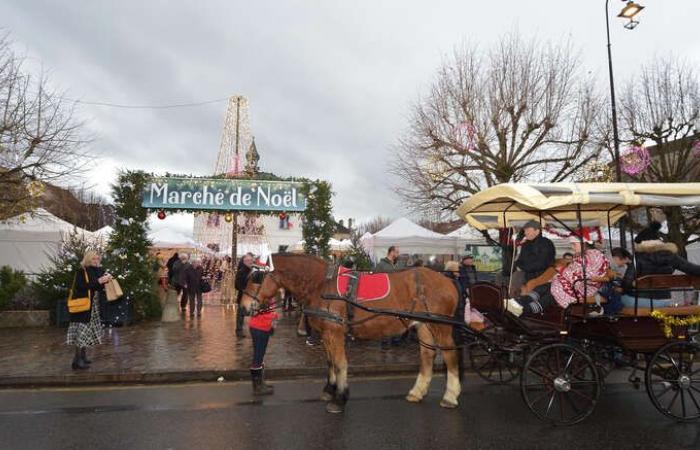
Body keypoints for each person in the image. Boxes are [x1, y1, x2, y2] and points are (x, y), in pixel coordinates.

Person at [620, 221, 700, 309]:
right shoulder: (671, 256)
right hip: (664, 300)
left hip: (639, 300)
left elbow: (626, 284)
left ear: (641, 243)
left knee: (614, 300)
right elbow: (693, 269)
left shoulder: (638, 257)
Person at [67, 250, 112, 370]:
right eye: (94, 259)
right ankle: (76, 361)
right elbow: (81, 287)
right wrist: (99, 281)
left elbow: (98, 286)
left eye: (98, 259)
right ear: (88, 259)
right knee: (81, 333)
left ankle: (83, 356)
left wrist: (106, 279)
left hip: (93, 306)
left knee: (86, 332)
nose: (97, 261)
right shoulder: (82, 271)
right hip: (83, 307)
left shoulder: (98, 271)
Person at [505, 221, 556, 316]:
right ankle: (509, 301)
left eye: (528, 230)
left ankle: (515, 305)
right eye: (524, 231)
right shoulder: (526, 244)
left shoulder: (546, 244)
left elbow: (543, 263)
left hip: (543, 274)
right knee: (504, 276)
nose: (525, 233)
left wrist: (523, 267)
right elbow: (520, 260)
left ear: (537, 231)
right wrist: (517, 265)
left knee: (517, 277)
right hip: (527, 273)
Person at [549, 232, 610, 312]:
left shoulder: (589, 257)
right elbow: (573, 271)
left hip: (586, 286)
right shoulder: (591, 254)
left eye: (574, 244)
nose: (572, 247)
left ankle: (569, 309)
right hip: (584, 283)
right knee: (552, 283)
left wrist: (560, 273)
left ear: (583, 243)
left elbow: (578, 274)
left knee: (555, 286)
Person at [249, 287, 278, 395]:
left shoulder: (268, 294)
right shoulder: (261, 295)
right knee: (258, 355)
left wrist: (273, 325)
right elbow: (253, 310)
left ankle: (260, 383)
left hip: (263, 327)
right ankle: (257, 387)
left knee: (260, 355)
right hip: (259, 328)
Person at [375, 246, 401, 349]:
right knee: (385, 318)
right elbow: (375, 278)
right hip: (385, 295)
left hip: (396, 295)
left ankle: (396, 339)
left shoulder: (396, 265)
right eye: (397, 252)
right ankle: (385, 341)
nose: (398, 254)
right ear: (391, 252)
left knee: (397, 317)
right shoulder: (381, 265)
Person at [598, 247, 633, 315]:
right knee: (611, 290)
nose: (615, 262)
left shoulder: (629, 267)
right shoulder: (630, 264)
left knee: (611, 289)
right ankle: (610, 312)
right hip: (602, 285)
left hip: (626, 290)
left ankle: (611, 312)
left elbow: (625, 281)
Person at [235, 253, 255, 337]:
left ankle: (254, 329)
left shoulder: (253, 270)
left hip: (252, 296)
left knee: (253, 313)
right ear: (245, 261)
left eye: (251, 260)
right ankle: (239, 330)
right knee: (241, 314)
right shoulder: (241, 271)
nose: (251, 262)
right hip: (243, 296)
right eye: (249, 261)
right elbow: (236, 285)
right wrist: (244, 290)